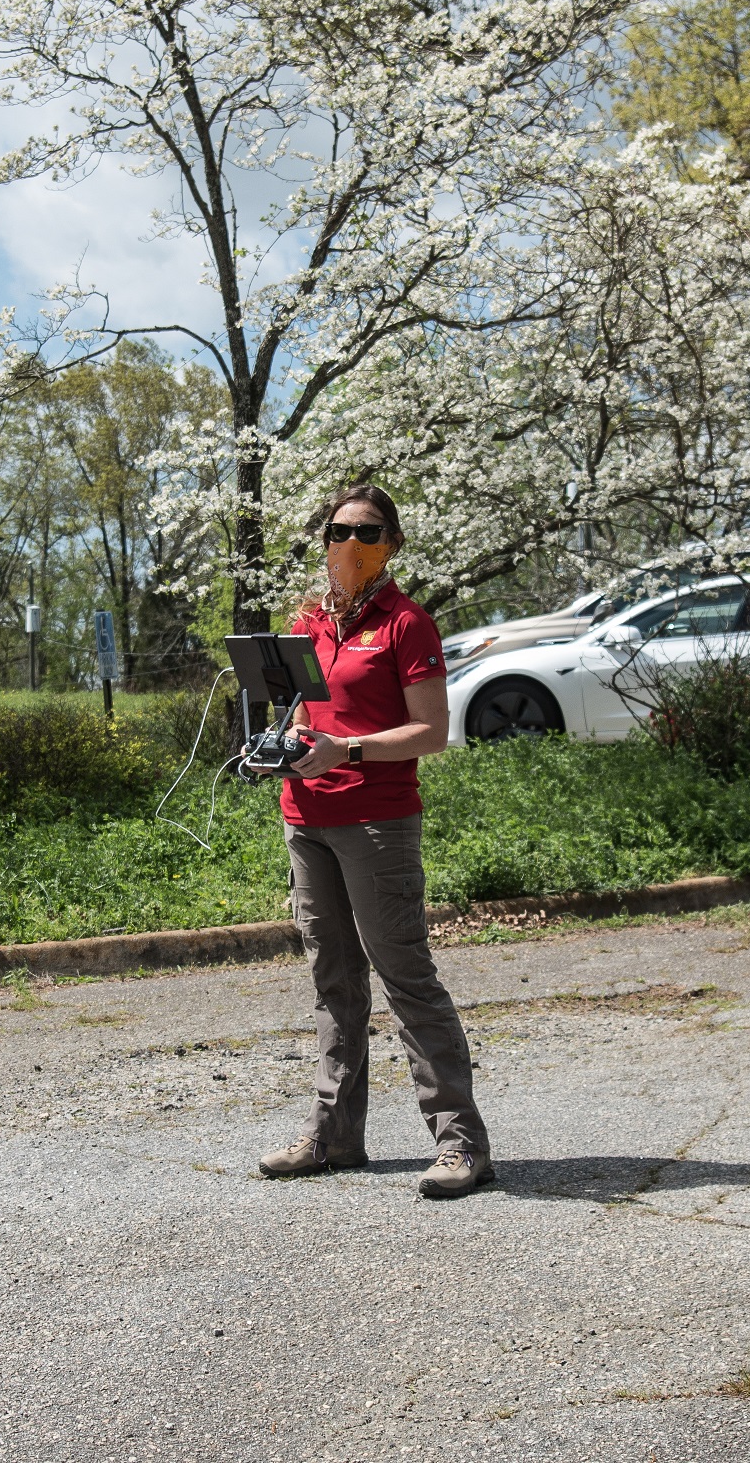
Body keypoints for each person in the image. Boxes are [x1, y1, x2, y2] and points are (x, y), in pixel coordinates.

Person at [256, 483, 493, 1197]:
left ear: (391, 542)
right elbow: (305, 714)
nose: (348, 545)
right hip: (305, 815)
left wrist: (347, 751)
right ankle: (334, 1137)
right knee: (333, 984)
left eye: (364, 532)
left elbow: (431, 732)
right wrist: (295, 740)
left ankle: (462, 1146)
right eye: (336, 531)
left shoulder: (406, 623)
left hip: (376, 821)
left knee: (406, 979)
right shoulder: (306, 623)